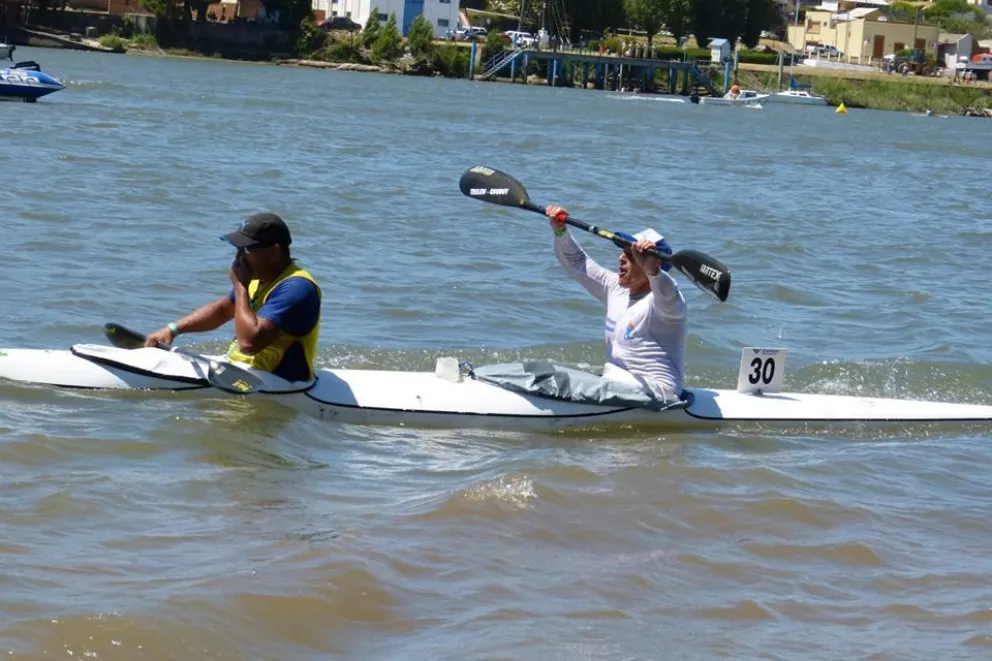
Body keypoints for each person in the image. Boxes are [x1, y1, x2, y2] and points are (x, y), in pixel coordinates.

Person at [144, 212, 323, 383]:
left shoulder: (297, 288)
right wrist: (172, 330)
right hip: (243, 371)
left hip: (280, 382)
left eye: (247, 250)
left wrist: (240, 287)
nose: (239, 258)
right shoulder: (257, 279)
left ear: (274, 252)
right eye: (238, 249)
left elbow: (249, 344)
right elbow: (223, 311)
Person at [545, 205, 687, 403]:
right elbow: (578, 264)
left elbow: (668, 293)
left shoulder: (664, 305)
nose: (621, 257)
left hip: (660, 393)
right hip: (619, 383)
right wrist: (560, 232)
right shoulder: (616, 289)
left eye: (631, 254)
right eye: (623, 251)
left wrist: (653, 271)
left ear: (653, 264)